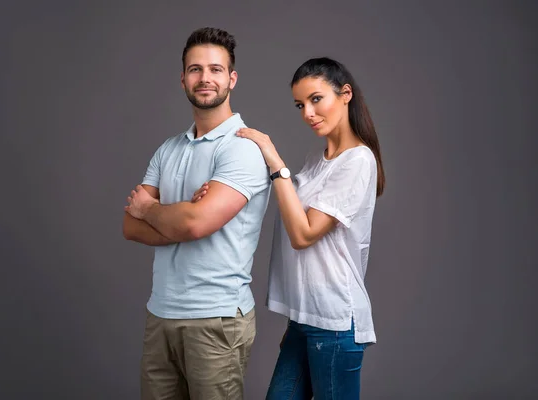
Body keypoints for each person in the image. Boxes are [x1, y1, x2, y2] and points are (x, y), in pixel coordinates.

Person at [193, 57, 385, 399]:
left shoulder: (359, 161)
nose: (307, 113)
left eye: (315, 99)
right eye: (300, 104)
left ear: (345, 94)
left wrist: (273, 156)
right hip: (305, 319)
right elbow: (282, 198)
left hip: (337, 323)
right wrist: (224, 187)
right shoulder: (317, 159)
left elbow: (303, 234)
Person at [123, 27, 271, 400]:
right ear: (183, 78)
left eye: (216, 70)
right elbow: (130, 226)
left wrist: (155, 209)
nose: (205, 78)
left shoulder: (243, 148)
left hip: (216, 317)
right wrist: (187, 214)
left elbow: (194, 223)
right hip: (160, 314)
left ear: (231, 78)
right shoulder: (168, 148)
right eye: (195, 69)